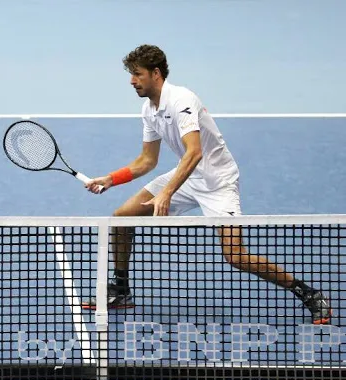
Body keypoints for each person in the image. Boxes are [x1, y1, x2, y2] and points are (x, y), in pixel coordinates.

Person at [81, 44, 332, 325]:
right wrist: (111, 179)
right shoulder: (148, 109)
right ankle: (121, 290)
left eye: (137, 74)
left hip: (218, 181)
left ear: (155, 73)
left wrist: (167, 192)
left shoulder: (181, 100)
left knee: (235, 255)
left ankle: (308, 293)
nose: (131, 81)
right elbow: (147, 161)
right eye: (131, 75)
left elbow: (195, 151)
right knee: (121, 218)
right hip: (188, 175)